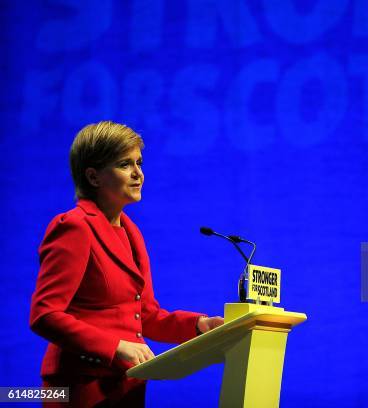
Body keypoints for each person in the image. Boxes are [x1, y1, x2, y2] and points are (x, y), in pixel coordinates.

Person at [29, 121, 224, 407]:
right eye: (124, 164)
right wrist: (115, 347)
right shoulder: (74, 227)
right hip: (79, 386)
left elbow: (144, 315)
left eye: (139, 163)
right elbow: (44, 314)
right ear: (94, 177)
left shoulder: (131, 232)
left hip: (126, 385)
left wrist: (198, 325)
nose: (138, 174)